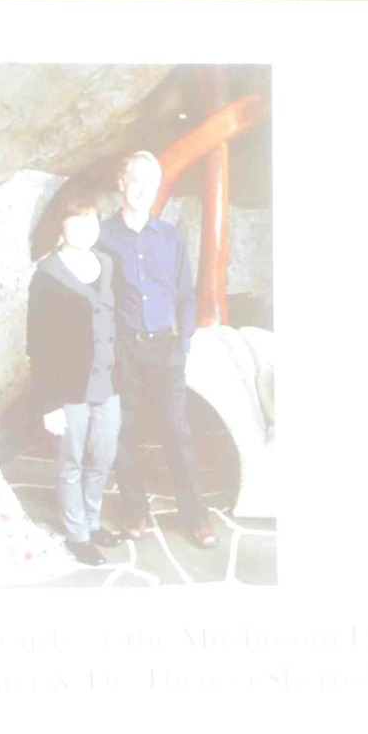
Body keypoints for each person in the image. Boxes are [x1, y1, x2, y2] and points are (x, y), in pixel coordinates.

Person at [98, 150, 217, 550]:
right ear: (121, 182)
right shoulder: (102, 235)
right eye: (136, 181)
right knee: (122, 432)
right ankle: (134, 511)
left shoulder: (170, 236)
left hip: (166, 349)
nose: (143, 190)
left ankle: (195, 518)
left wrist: (182, 341)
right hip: (124, 350)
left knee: (177, 432)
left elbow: (186, 294)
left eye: (151, 184)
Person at [25, 191, 124, 566]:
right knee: (72, 463)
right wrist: (48, 405)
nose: (87, 228)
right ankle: (77, 534)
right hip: (69, 389)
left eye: (93, 220)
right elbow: (39, 344)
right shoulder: (47, 276)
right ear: (61, 226)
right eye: (77, 220)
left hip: (108, 383)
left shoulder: (107, 264)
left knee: (102, 458)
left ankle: (94, 521)